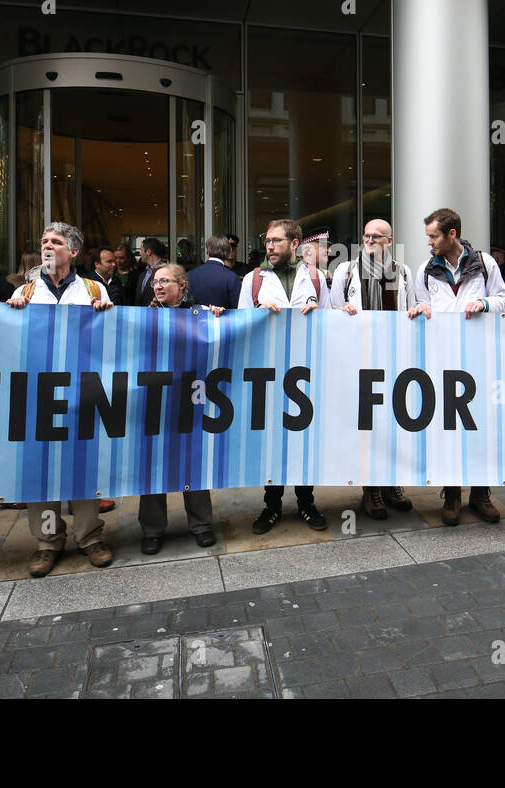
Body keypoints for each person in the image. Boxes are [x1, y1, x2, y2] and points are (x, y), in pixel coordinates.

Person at [7, 221, 116, 575]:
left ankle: (89, 537)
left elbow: (112, 341)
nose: (48, 247)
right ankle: (48, 541)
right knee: (43, 471)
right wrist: (9, 314)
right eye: (44, 242)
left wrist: (105, 315)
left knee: (82, 466)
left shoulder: (93, 289)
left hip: (83, 392)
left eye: (56, 242)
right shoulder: (25, 291)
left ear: (73, 252)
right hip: (39, 394)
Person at [407, 208, 505, 525]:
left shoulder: (485, 263)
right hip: (442, 360)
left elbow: (504, 300)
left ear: (452, 234)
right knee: (448, 428)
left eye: (433, 236)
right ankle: (451, 494)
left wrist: (484, 304)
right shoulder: (425, 269)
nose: (429, 242)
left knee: (482, 426)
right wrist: (420, 307)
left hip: (480, 359)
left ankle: (480, 494)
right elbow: (415, 304)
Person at [240, 219, 330, 534]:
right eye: (267, 241)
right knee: (274, 441)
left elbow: (330, 323)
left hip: (306, 370)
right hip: (269, 371)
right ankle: (272, 504)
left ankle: (306, 501)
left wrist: (319, 309)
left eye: (277, 241)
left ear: (294, 244)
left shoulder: (316, 277)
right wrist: (256, 309)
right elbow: (241, 326)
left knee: (305, 438)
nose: (269, 246)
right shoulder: (253, 280)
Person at [331, 218, 416, 521]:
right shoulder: (345, 271)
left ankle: (391, 483)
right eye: (366, 235)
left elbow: (413, 308)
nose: (369, 240)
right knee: (368, 426)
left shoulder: (403, 272)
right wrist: (344, 312)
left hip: (394, 359)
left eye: (377, 236)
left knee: (394, 423)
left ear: (389, 242)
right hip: (361, 359)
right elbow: (333, 313)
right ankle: (371, 489)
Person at [138, 263, 222, 554]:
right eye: (155, 282)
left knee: (192, 461)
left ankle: (201, 525)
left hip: (191, 396)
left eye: (165, 281)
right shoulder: (143, 316)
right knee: (153, 463)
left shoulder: (200, 314)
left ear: (182, 286)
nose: (158, 286)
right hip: (155, 396)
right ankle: (152, 529)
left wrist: (218, 318)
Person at [188, 234, 244, 309]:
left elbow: (186, 305)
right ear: (227, 253)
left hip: (194, 319)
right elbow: (237, 310)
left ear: (208, 251)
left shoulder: (190, 275)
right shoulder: (232, 278)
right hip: (223, 320)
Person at [131, 237, 168, 306]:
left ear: (148, 252)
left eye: (141, 250)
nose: (140, 253)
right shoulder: (142, 274)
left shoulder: (166, 271)